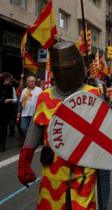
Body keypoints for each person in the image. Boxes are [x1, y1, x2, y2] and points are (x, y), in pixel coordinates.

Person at [17, 42, 101, 209]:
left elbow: (109, 132)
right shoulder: (45, 97)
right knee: (52, 203)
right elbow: (34, 131)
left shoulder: (94, 94)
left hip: (84, 166)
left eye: (69, 68)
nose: (65, 73)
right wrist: (24, 163)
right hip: (53, 165)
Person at [18, 76, 42, 147]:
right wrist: (18, 111)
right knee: (23, 128)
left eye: (33, 81)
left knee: (35, 129)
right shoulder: (24, 90)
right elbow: (20, 102)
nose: (32, 82)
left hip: (34, 113)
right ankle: (31, 139)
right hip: (25, 113)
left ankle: (33, 141)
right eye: (30, 81)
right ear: (27, 82)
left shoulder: (39, 90)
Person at [0, 72, 17, 152]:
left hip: (6, 111)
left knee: (3, 128)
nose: (8, 81)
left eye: (9, 79)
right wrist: (3, 100)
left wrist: (11, 100)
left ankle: (2, 144)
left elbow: (15, 99)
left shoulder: (11, 87)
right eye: (7, 79)